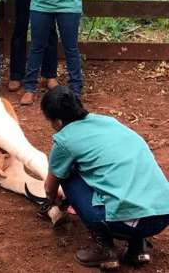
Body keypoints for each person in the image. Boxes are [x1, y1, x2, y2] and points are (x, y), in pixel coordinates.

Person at [42, 86, 169, 269]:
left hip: (129, 223)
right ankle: (138, 247)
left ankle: (105, 249)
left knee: (67, 175)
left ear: (58, 122)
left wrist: (52, 200)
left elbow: (49, 187)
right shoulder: (109, 122)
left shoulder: (65, 140)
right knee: (123, 173)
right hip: (162, 214)